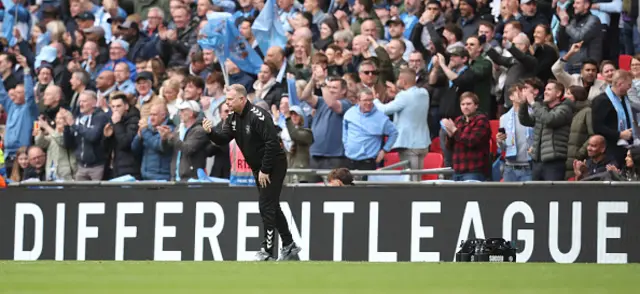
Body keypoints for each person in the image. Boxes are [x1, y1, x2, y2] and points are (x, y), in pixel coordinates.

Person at [203, 84, 301, 261]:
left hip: (273, 164)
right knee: (272, 205)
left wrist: (265, 169)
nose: (227, 103)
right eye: (226, 99)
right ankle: (289, 244)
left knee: (266, 205)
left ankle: (267, 251)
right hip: (259, 166)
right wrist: (211, 132)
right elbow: (224, 138)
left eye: (230, 99)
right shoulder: (232, 118)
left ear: (242, 99)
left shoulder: (259, 116)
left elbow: (272, 143)